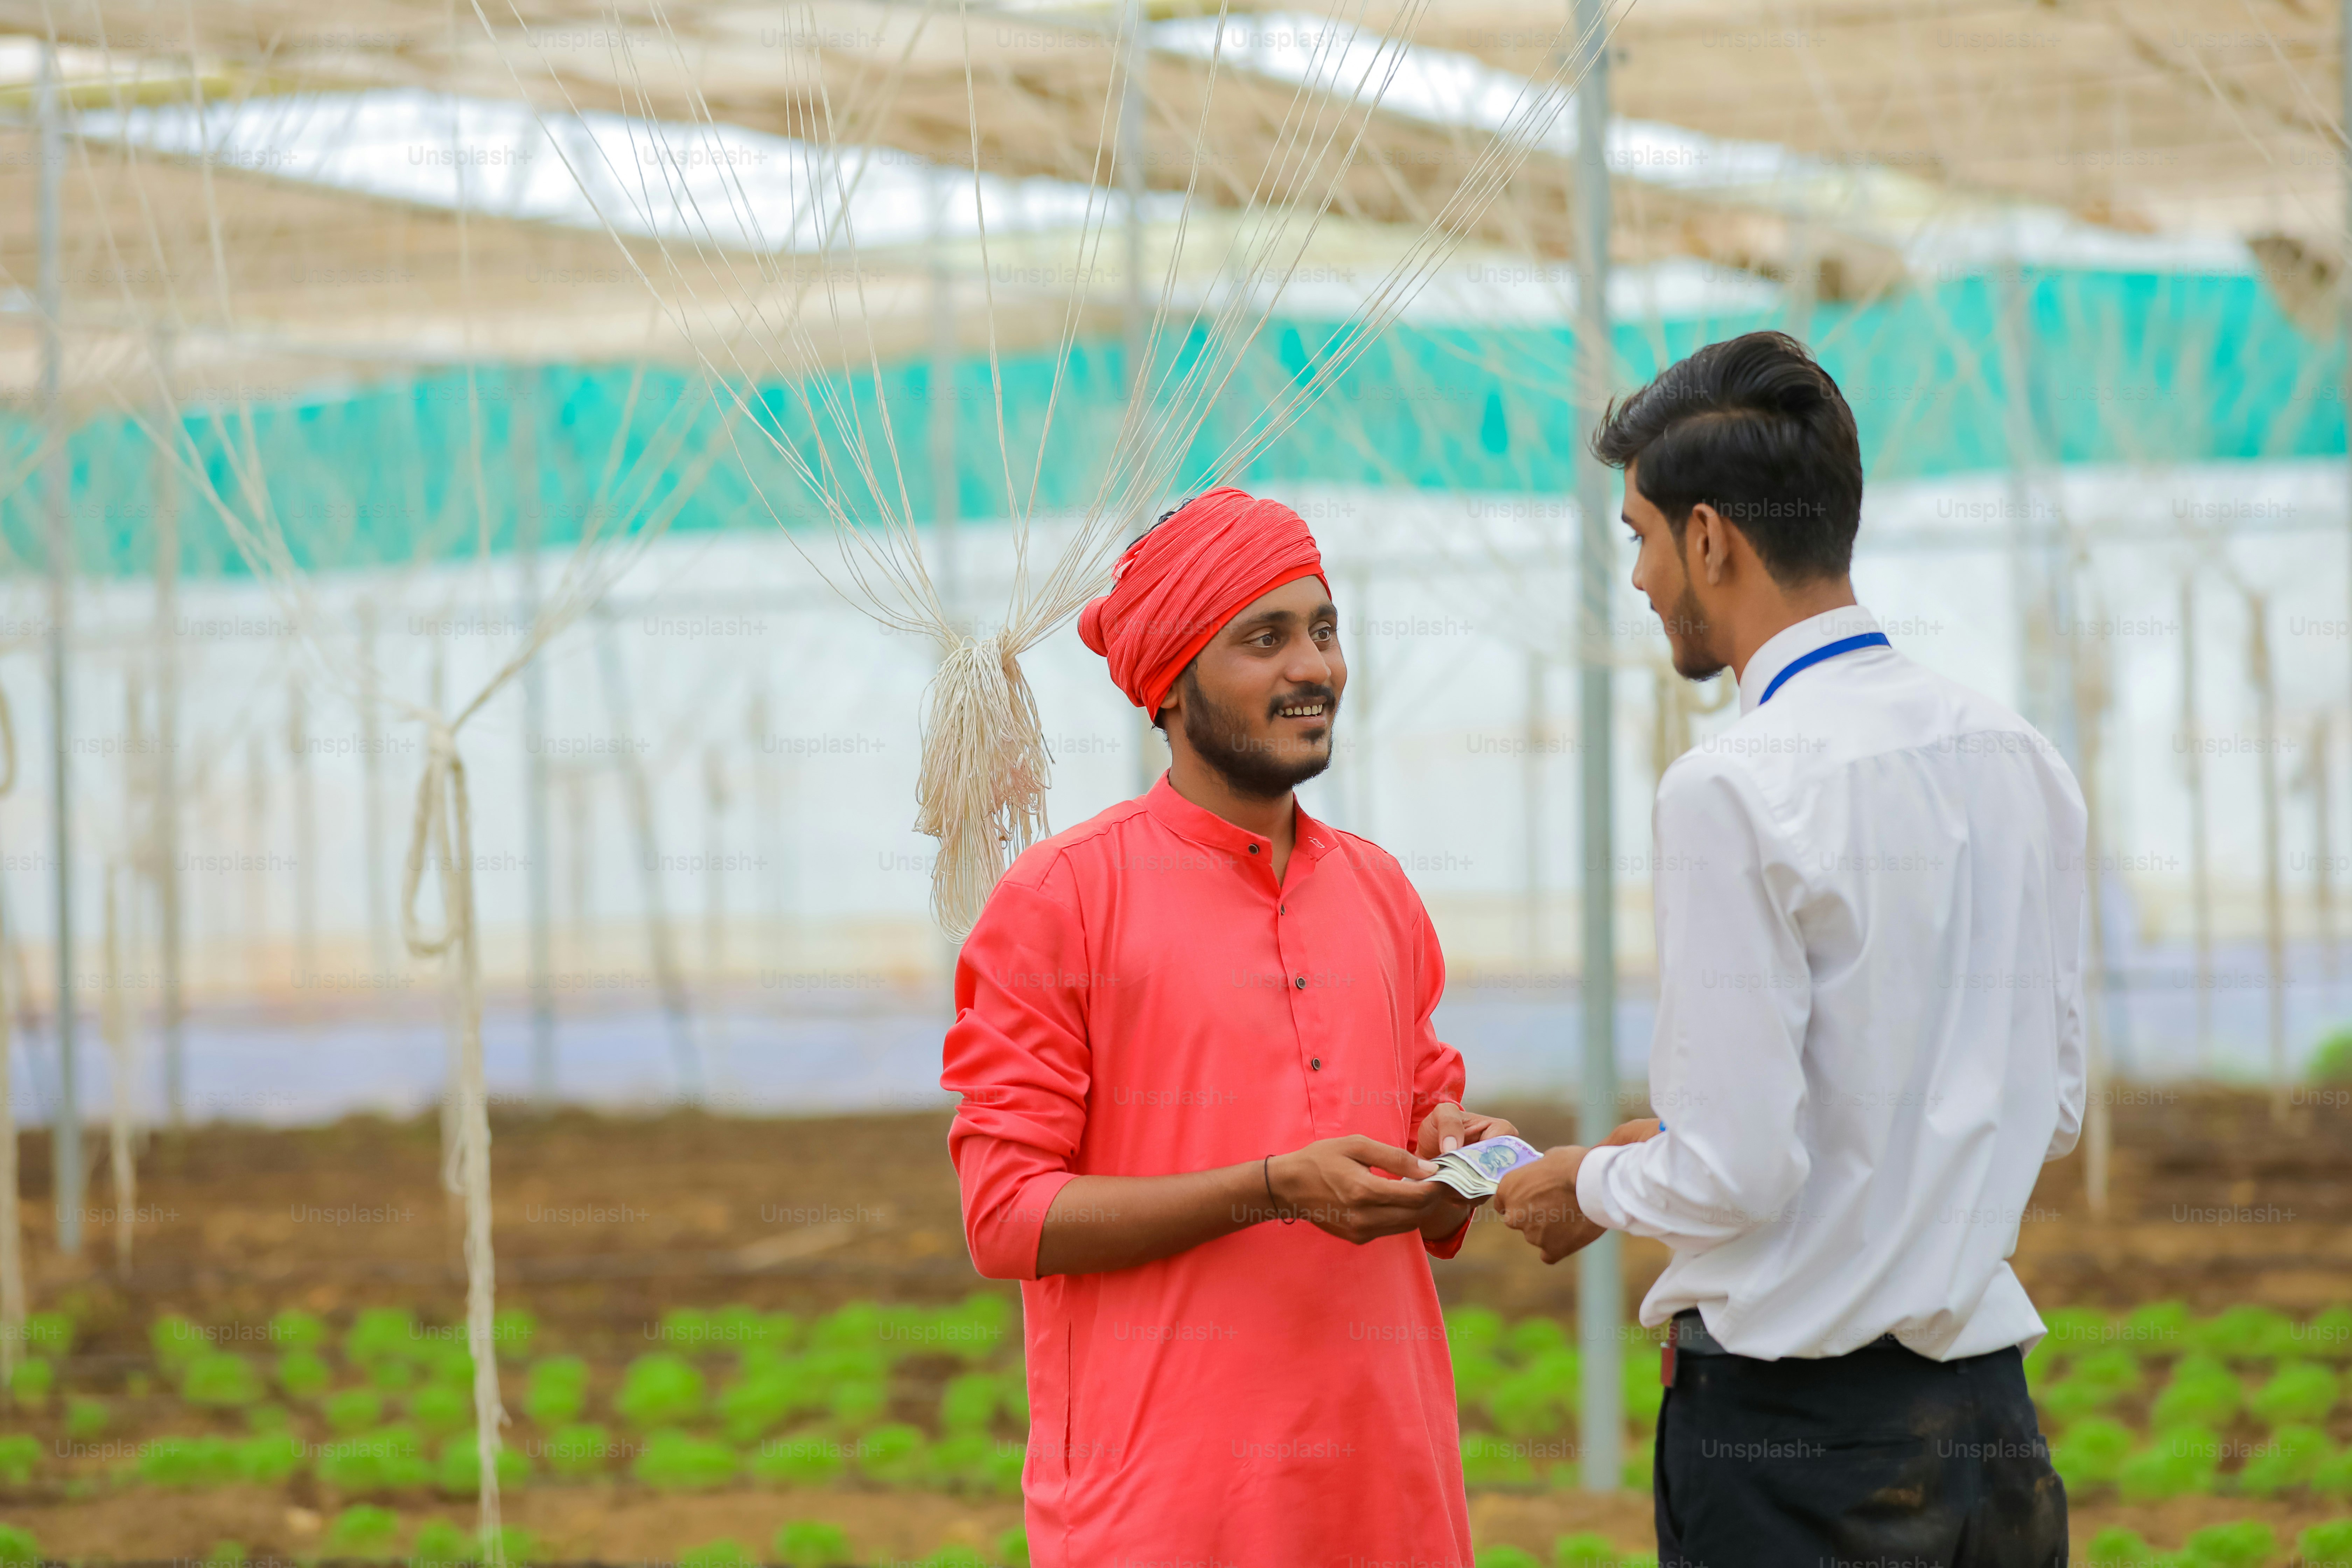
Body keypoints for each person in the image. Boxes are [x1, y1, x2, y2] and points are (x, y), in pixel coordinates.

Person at [1494, 332, 2081, 1565]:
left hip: (1802, 1463)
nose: (1644, 579)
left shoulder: (1732, 789)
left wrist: (1585, 1184)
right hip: (1992, 1440)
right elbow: (2050, 1103)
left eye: (1642, 539)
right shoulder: (2015, 756)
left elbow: (1739, 1176)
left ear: (1711, 539)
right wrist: (1681, 1140)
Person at [941, 486, 1507, 1568]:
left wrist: (1457, 1155)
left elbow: (1427, 1114)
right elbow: (1006, 1216)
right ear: (1169, 686)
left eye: (1325, 630)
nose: (1316, 668)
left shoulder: (1380, 891)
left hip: (1389, 1496)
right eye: (1266, 638)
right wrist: (1269, 1186)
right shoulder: (1064, 898)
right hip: (1167, 1511)